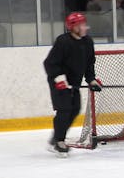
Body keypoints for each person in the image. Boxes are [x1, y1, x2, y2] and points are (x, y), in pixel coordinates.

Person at [42, 12, 102, 157]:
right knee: (64, 109)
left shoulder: (88, 42)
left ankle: (57, 136)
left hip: (74, 82)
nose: (84, 27)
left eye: (84, 24)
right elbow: (50, 63)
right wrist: (60, 79)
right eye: (80, 25)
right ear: (72, 27)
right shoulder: (63, 41)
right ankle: (59, 141)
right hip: (59, 82)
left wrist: (91, 80)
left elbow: (89, 64)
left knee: (75, 109)